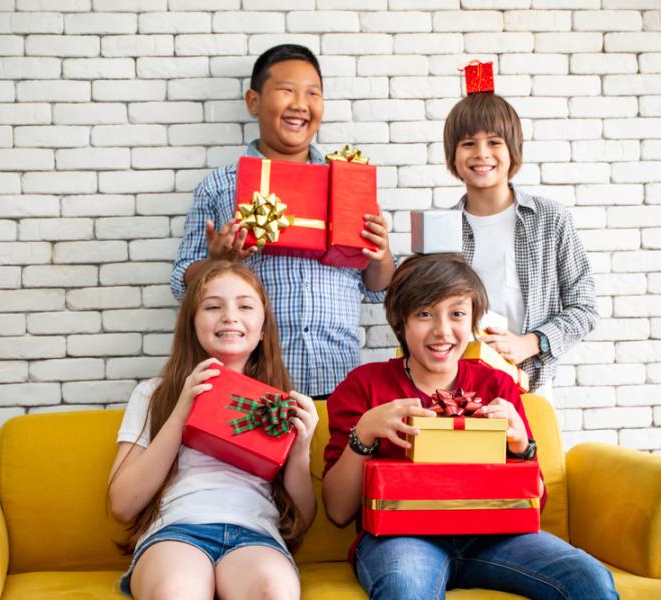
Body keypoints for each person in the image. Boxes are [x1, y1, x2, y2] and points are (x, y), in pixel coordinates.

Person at [322, 254, 618, 599]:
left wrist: (522, 448)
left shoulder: (496, 385)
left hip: (495, 535)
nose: (442, 330)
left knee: (588, 578)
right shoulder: (364, 386)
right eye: (424, 313)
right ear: (400, 322)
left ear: (473, 320)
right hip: (400, 537)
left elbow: (534, 504)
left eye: (457, 314)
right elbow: (338, 512)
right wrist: (363, 435)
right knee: (405, 587)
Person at [170, 43, 395, 399]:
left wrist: (381, 256)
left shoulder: (348, 184)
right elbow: (182, 283)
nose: (300, 104)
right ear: (254, 102)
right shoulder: (220, 186)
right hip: (251, 380)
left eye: (312, 93)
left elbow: (375, 288)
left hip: (338, 377)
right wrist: (218, 263)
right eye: (287, 91)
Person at [109, 261, 318, 600]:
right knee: (175, 591)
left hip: (255, 535)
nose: (229, 316)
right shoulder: (154, 394)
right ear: (191, 324)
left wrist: (301, 448)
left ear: (263, 330)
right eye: (212, 306)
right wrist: (182, 411)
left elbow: (302, 518)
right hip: (176, 532)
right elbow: (122, 504)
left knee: (274, 592)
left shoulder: (281, 404)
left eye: (245, 306)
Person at [443, 91, 598, 399]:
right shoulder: (441, 228)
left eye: (494, 142)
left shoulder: (550, 219)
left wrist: (530, 343)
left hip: (531, 386)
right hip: (458, 389)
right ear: (453, 155)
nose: (481, 153)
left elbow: (585, 308)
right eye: (468, 143)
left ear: (513, 149)